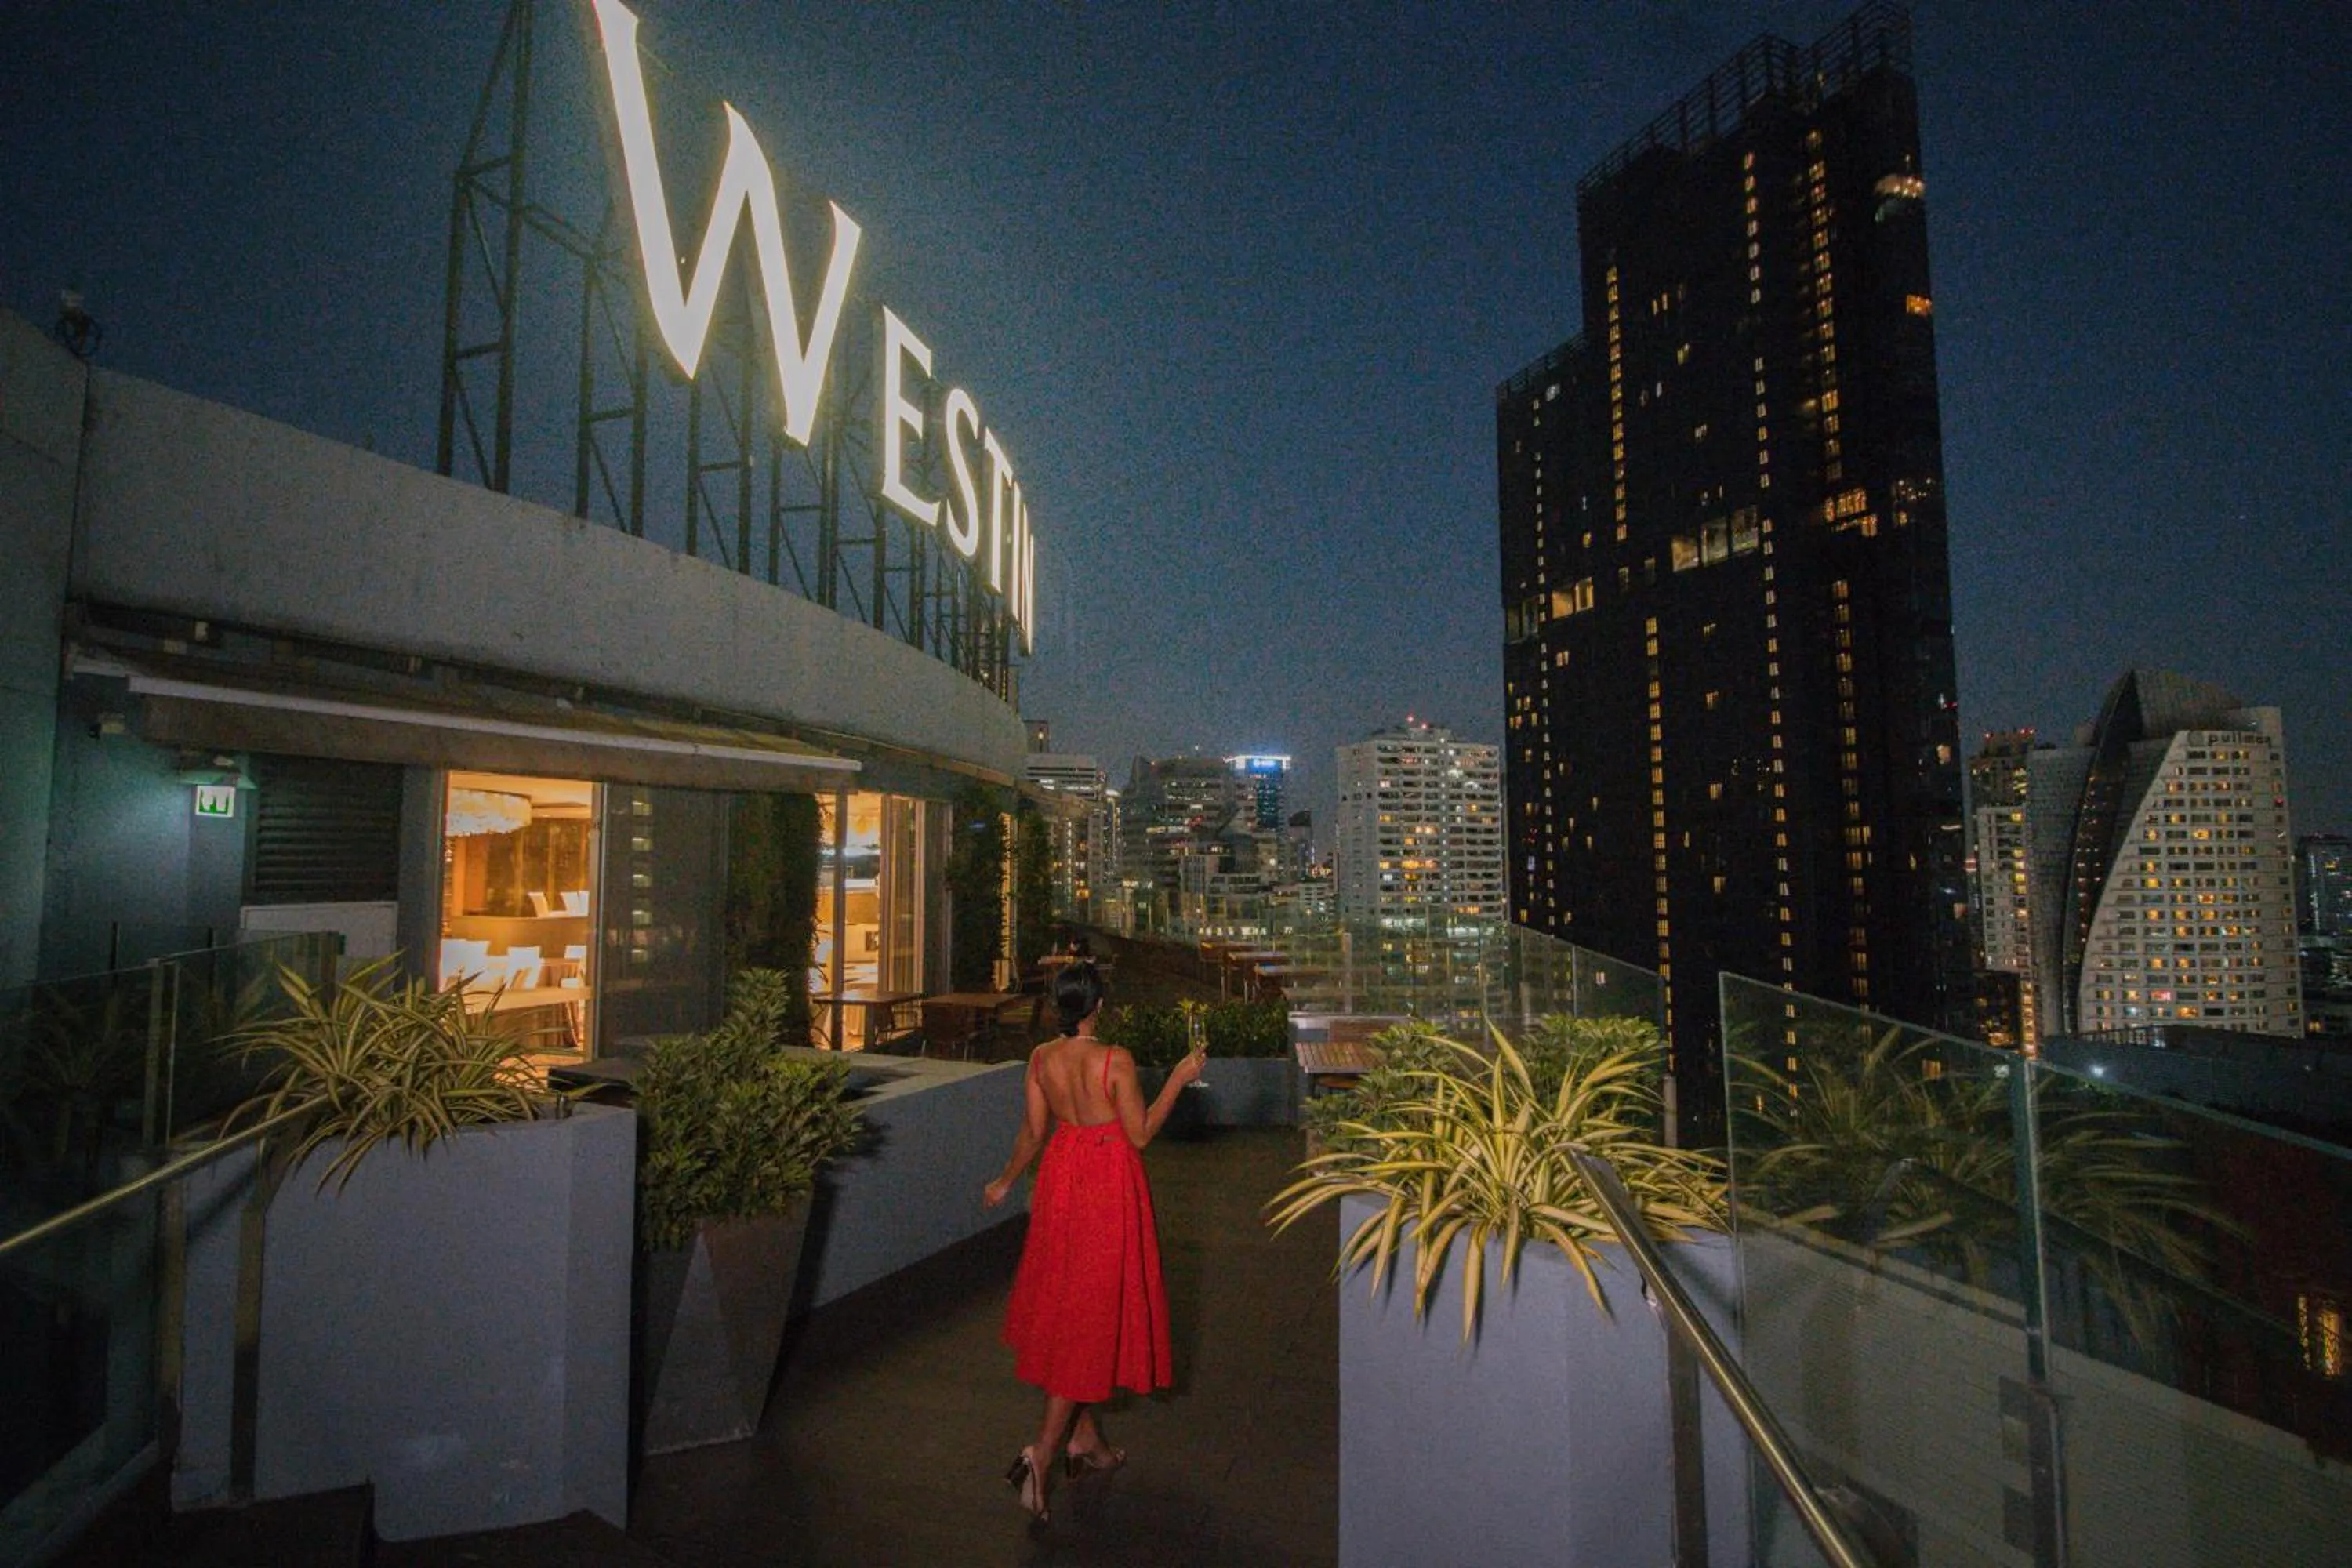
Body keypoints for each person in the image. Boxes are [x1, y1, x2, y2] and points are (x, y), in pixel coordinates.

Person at [982, 961, 1202, 1525]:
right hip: (1108, 1189)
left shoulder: (1040, 1059)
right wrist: (1178, 1077)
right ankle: (1043, 1454)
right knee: (1092, 1321)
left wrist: (1006, 1180)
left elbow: (1034, 1133)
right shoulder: (1115, 1061)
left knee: (1068, 1313)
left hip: (1061, 1181)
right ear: (1098, 1006)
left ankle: (1088, 1444)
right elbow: (1141, 1133)